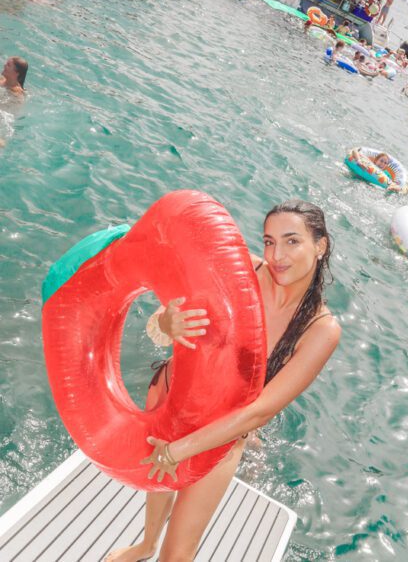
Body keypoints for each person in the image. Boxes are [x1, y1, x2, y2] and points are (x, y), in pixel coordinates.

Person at [105, 201, 340, 562]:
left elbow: (259, 411)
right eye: (269, 241)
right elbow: (161, 326)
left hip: (220, 438)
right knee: (159, 483)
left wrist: (177, 451)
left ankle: (161, 543)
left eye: (292, 241)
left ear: (320, 245)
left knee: (178, 553)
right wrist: (168, 324)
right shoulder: (241, 269)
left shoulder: (320, 329)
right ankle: (146, 542)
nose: (277, 255)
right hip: (169, 398)